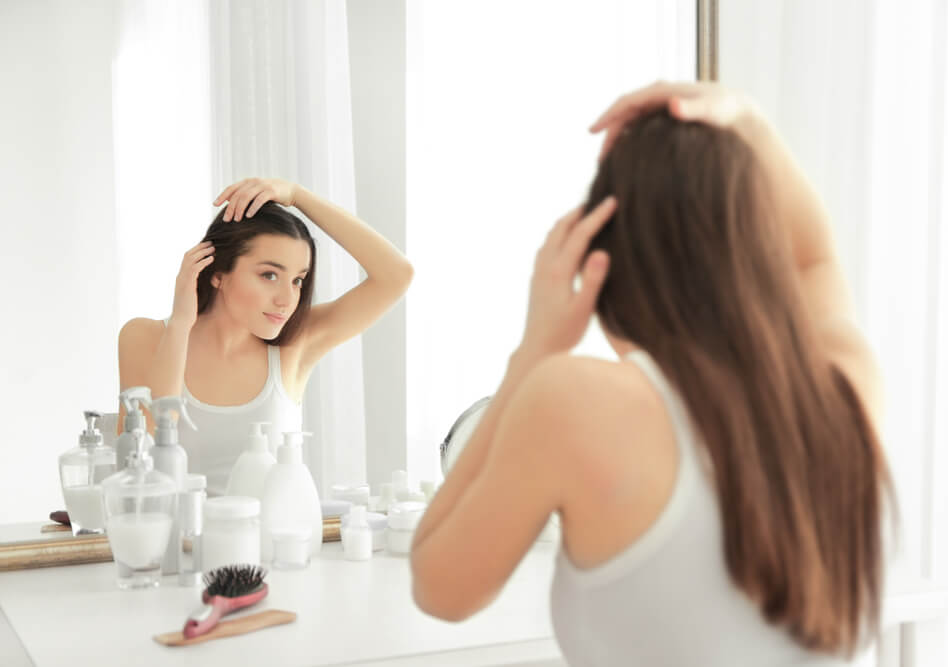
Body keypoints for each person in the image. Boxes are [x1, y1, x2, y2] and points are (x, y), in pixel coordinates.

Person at [409, 82, 895, 665]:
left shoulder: (575, 402)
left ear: (603, 259)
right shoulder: (844, 386)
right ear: (761, 250)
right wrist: (748, 120)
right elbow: (817, 257)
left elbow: (440, 589)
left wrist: (536, 347)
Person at [118, 178, 413, 495]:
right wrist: (180, 325)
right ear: (217, 273)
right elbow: (141, 461)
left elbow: (396, 275)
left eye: (298, 280)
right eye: (269, 275)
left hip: (273, 542)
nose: (287, 299)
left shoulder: (295, 345)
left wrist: (298, 195)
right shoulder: (144, 336)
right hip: (175, 543)